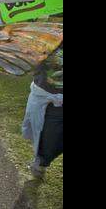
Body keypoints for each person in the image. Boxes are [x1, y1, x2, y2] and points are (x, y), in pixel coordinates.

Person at [23, 43, 63, 178]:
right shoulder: (44, 39)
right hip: (50, 101)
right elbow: (28, 64)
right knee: (50, 138)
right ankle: (41, 162)